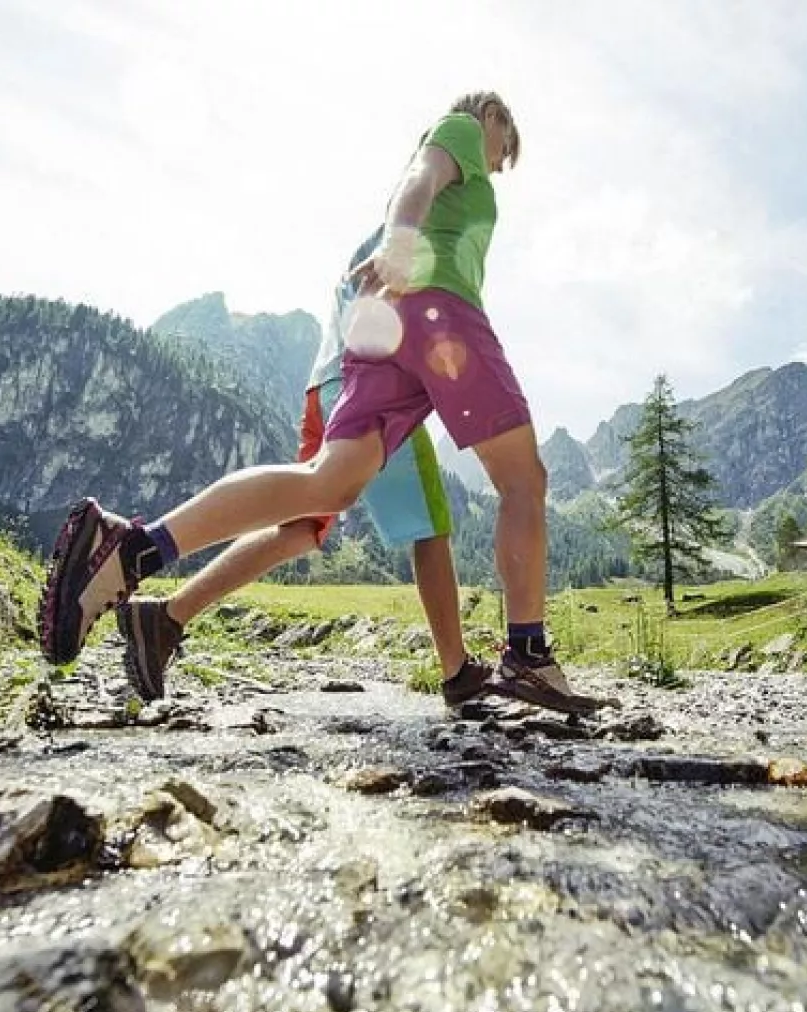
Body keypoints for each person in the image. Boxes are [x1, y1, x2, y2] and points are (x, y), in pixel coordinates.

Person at [38, 90, 605, 714]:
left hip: (377, 338)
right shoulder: (464, 129)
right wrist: (401, 240)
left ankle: (137, 549)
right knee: (522, 479)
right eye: (504, 150)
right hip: (435, 312)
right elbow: (419, 177)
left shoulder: (440, 196)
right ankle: (525, 655)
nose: (498, 165)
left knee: (325, 488)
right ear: (491, 119)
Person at [112, 227, 492, 707]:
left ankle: (166, 617)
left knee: (301, 528)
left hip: (324, 389)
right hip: (373, 390)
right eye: (498, 153)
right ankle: (457, 670)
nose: (494, 168)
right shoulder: (422, 216)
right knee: (428, 527)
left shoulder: (391, 228)